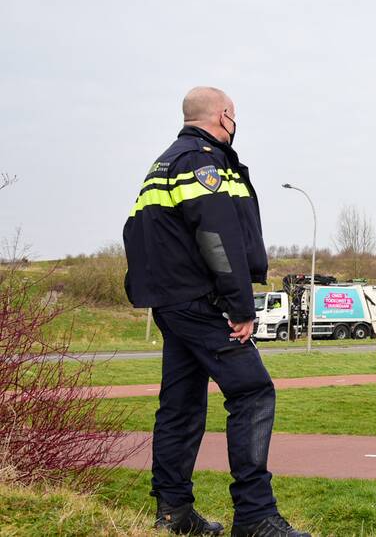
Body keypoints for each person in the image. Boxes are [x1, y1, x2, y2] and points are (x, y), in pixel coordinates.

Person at [123, 87, 310, 537]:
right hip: (202, 303)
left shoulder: (163, 163)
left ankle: (174, 513)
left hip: (170, 304)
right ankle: (255, 515)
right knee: (253, 393)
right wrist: (240, 304)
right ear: (224, 116)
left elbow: (134, 232)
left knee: (181, 405)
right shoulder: (203, 162)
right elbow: (216, 236)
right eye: (234, 117)